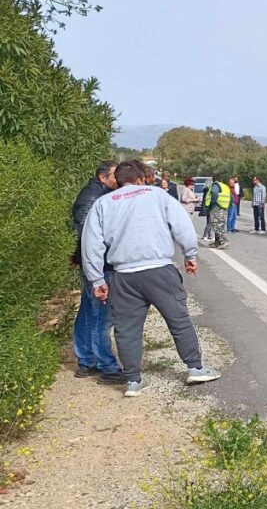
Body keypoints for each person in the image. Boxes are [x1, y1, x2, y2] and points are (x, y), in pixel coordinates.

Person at [81, 161, 220, 397]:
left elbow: (91, 244)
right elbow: (182, 226)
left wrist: (97, 280)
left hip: (124, 275)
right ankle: (195, 368)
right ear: (139, 179)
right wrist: (190, 254)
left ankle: (133, 381)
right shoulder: (158, 195)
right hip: (159, 270)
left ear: (118, 181)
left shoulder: (103, 204)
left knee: (126, 329)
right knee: (178, 319)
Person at [70, 161, 123, 384]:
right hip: (99, 265)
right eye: (115, 176)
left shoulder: (95, 193)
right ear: (103, 177)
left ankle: (86, 360)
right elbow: (86, 232)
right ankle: (106, 366)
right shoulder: (93, 198)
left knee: (88, 311)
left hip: (92, 263)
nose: (118, 180)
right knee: (101, 315)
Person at [203, 176, 232, 249]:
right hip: (224, 208)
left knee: (216, 225)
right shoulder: (225, 186)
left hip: (216, 207)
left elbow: (215, 193)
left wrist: (212, 203)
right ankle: (217, 242)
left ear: (213, 180)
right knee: (219, 225)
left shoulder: (215, 185)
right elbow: (231, 197)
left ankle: (224, 241)